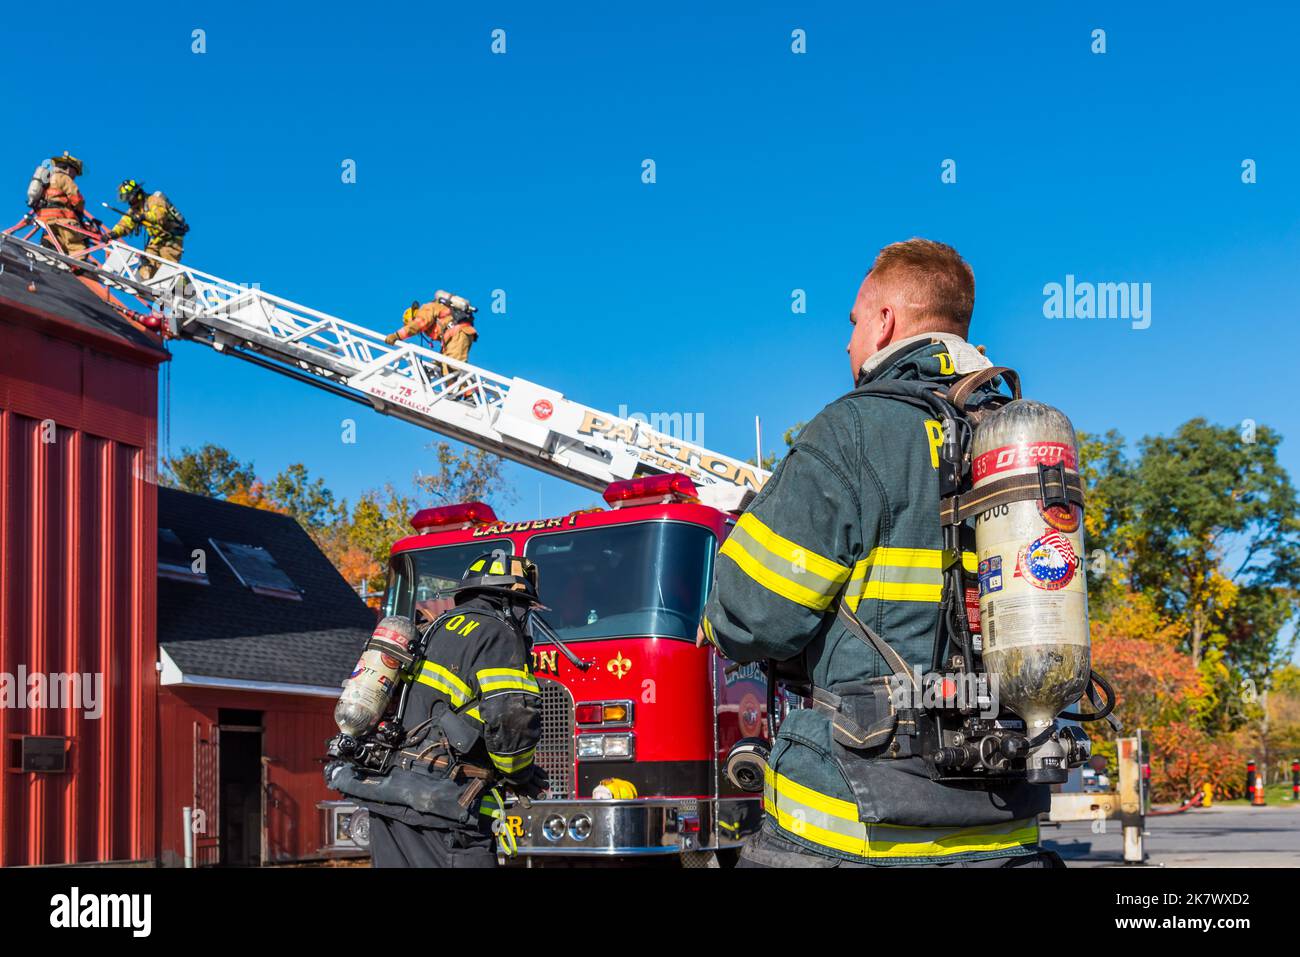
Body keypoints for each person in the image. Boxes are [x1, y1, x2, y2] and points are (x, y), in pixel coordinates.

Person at [698, 238, 1062, 868]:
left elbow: (754, 614)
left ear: (887, 321)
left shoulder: (852, 430)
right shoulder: (1019, 442)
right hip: (1005, 822)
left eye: (853, 322)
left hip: (854, 821)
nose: (847, 342)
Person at [363, 551, 547, 867]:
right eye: (525, 608)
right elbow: (511, 717)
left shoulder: (433, 629)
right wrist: (521, 773)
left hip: (390, 798)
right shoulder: (498, 632)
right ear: (511, 602)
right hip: (443, 807)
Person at [108, 179, 188, 280]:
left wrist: (144, 216)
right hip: (156, 241)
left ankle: (185, 290)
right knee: (146, 261)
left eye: (130, 198)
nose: (129, 201)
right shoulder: (135, 209)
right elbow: (125, 223)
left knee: (168, 269)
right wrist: (113, 234)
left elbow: (160, 216)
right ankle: (145, 281)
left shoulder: (154, 200)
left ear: (137, 194)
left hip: (171, 241)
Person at [385, 291, 479, 378]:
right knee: (445, 366)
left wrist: (397, 336)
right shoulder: (436, 317)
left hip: (458, 332)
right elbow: (446, 345)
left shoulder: (425, 309)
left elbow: (418, 324)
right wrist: (436, 363)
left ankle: (469, 394)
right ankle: (453, 395)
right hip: (456, 334)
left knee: (454, 365)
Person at [31, 152, 89, 255]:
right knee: (76, 239)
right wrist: (79, 212)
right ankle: (80, 263)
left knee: (55, 236)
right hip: (60, 216)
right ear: (69, 169)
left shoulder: (48, 178)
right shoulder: (64, 178)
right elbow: (76, 198)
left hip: (44, 217)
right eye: (74, 173)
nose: (74, 176)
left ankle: (49, 244)